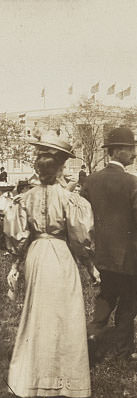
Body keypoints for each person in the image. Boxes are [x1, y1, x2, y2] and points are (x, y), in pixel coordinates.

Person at [4, 134, 94, 398]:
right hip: (60, 254)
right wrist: (89, 266)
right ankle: (66, 380)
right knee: (65, 314)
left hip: (36, 254)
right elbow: (80, 238)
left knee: (37, 313)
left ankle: (33, 377)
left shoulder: (25, 198)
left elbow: (18, 237)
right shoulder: (70, 200)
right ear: (61, 169)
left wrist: (15, 265)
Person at [81, 127, 137, 363]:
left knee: (106, 297)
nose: (133, 154)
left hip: (102, 255)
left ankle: (91, 340)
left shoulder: (91, 181)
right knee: (128, 303)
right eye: (130, 149)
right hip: (130, 257)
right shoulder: (133, 183)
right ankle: (123, 352)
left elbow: (82, 218)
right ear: (116, 151)